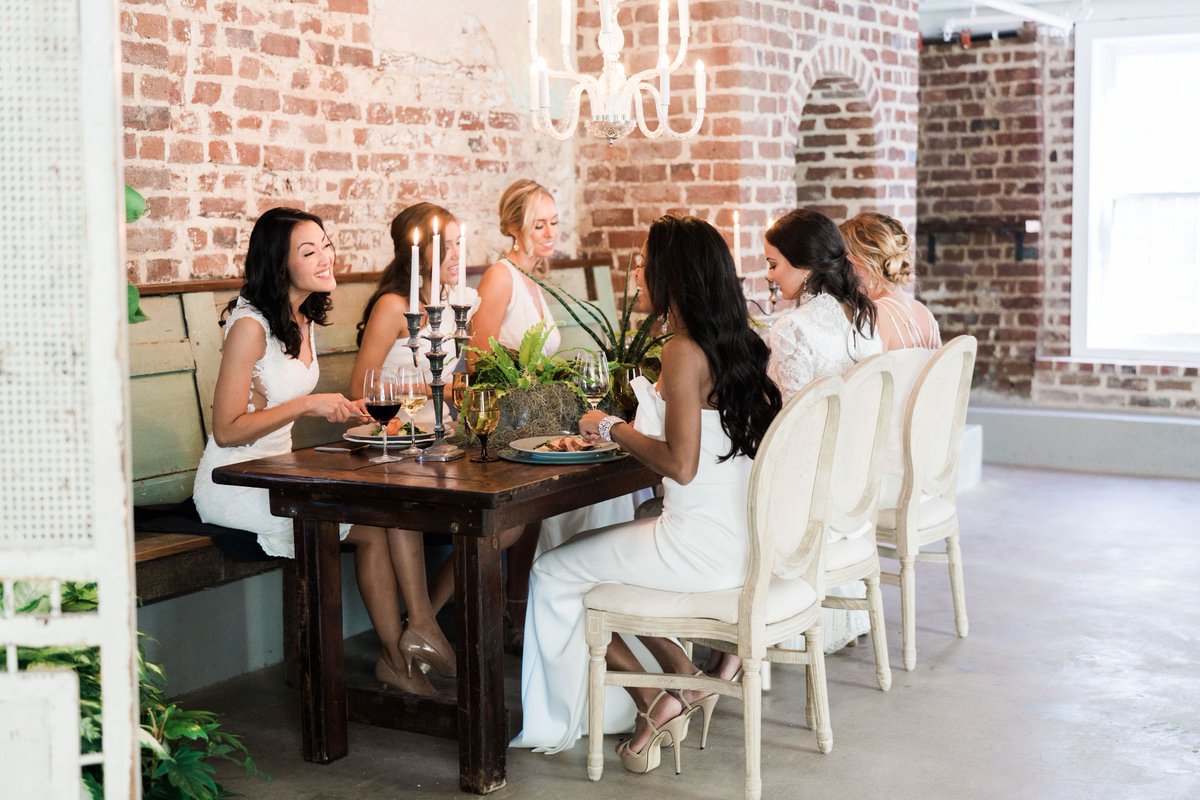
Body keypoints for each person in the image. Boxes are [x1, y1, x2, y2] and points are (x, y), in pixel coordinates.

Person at [511, 216, 783, 772]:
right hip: (741, 539)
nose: (636, 272)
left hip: (697, 547)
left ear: (672, 275)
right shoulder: (739, 343)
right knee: (592, 562)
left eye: (643, 262)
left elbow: (679, 465)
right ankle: (674, 684)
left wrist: (611, 427)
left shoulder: (684, 351)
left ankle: (658, 696)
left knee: (553, 571)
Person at [193, 207, 438, 696]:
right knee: (372, 526)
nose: (326, 257)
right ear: (279, 265)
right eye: (309, 251)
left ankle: (409, 647)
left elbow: (283, 402)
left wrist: (346, 407)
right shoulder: (250, 327)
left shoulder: (302, 317)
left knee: (386, 512)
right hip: (235, 482)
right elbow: (225, 430)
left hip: (280, 471)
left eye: (326, 244)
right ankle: (401, 657)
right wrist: (307, 404)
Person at [470, 179, 636, 643]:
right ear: (511, 228)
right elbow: (478, 357)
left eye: (553, 223)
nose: (548, 233)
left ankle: (546, 608)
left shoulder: (534, 279)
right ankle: (542, 611)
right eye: (536, 224)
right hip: (511, 422)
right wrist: (533, 378)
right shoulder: (500, 276)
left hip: (539, 415)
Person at [348, 201, 479, 681]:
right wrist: (432, 388)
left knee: (506, 525)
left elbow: (464, 376)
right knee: (400, 505)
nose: (456, 254)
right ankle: (421, 625)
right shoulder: (391, 306)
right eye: (447, 245)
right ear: (418, 251)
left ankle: (419, 623)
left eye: (459, 245)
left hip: (442, 442)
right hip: (396, 441)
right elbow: (360, 387)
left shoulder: (449, 306)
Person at [761, 207, 882, 654]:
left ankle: (744, 629)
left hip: (807, 492)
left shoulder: (793, 328)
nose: (769, 274)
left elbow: (786, 430)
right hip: (851, 485)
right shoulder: (865, 322)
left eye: (773, 263)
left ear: (806, 266)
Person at [839, 212, 942, 507]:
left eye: (844, 262)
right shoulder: (924, 315)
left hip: (885, 475)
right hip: (924, 468)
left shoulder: (871, 318)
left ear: (862, 263)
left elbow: (859, 405)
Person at [839, 212, 941, 351]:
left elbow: (866, 373)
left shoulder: (874, 316)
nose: (843, 271)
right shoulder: (924, 313)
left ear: (867, 262)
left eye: (846, 261)